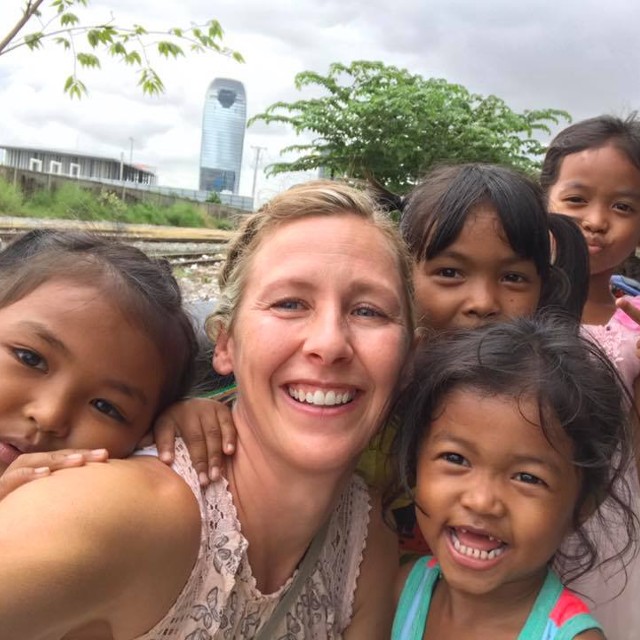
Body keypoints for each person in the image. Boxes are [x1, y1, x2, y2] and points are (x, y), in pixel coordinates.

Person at [1, 181, 416, 638]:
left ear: (407, 358)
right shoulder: (110, 515)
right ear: (226, 345)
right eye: (290, 303)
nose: (329, 344)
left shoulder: (365, 541)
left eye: (370, 311)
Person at [155, 163, 590, 492]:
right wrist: (191, 413)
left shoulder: (541, 404)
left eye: (512, 278)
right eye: (450, 274)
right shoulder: (367, 377)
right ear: (404, 286)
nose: (482, 303)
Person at [390, 316, 636, 639]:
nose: (481, 501)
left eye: (527, 478)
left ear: (583, 504)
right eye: (455, 459)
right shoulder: (405, 589)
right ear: (414, 464)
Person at [541, 114, 640, 639]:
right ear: (546, 202)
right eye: (577, 200)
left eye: (623, 206)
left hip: (613, 520)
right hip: (512, 500)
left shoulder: (636, 321)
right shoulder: (514, 298)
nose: (597, 220)